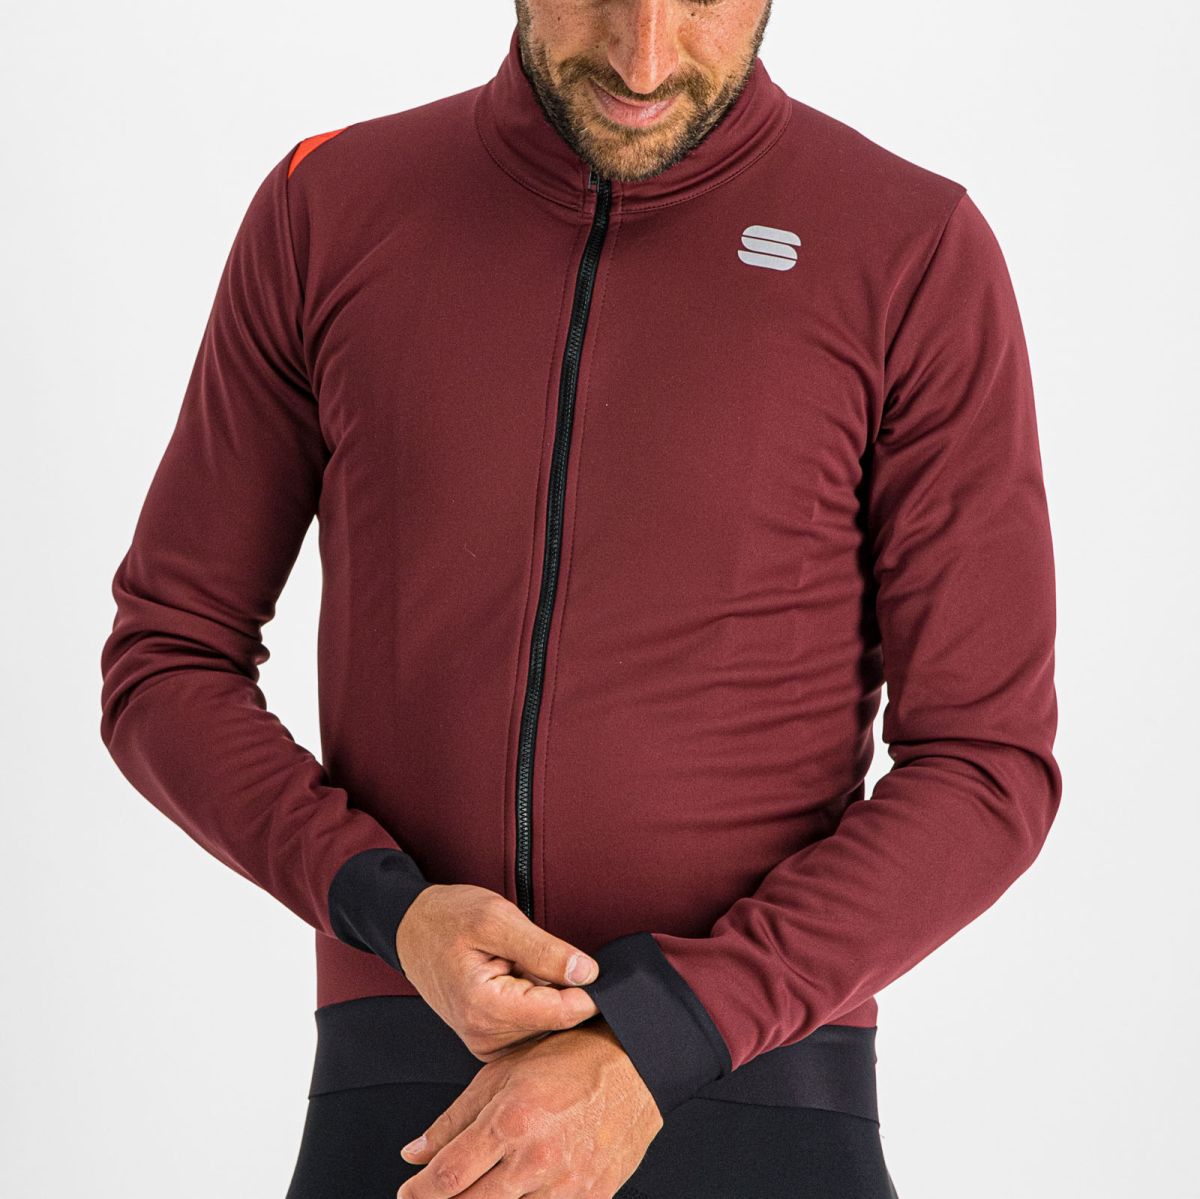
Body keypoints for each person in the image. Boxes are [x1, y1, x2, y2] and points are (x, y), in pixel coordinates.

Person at [98, 1, 1062, 1196]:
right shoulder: (329, 207)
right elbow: (167, 659)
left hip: (757, 1096)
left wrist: (663, 1035)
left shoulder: (909, 247)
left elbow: (985, 763)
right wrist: (391, 910)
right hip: (402, 1101)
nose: (643, 57)